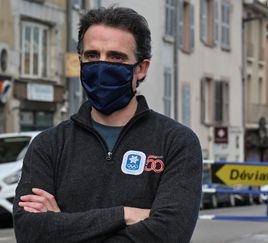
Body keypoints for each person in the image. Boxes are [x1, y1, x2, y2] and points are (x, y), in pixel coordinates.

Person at [13, 6, 202, 243]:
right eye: (92, 56)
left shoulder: (176, 142)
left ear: (141, 69)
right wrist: (124, 214)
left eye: (116, 57)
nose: (102, 66)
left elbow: (169, 234)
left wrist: (61, 226)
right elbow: (30, 232)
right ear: (80, 60)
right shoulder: (48, 145)